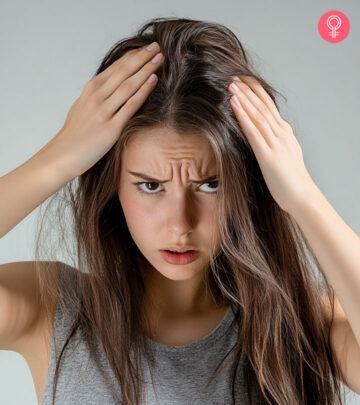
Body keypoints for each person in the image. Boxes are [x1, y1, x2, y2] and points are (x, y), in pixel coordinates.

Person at [1, 16, 359, 405]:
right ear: (113, 188)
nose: (180, 223)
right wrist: (59, 158)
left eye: (210, 184)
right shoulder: (54, 310)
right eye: (151, 186)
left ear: (247, 186)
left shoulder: (302, 323)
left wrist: (302, 195)